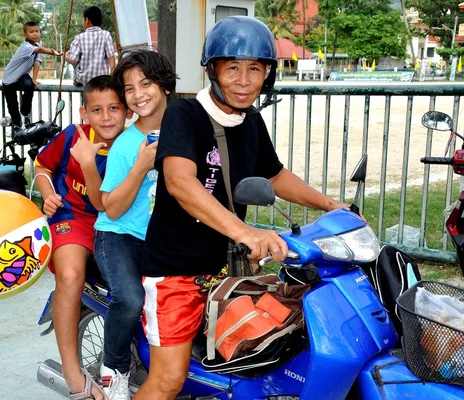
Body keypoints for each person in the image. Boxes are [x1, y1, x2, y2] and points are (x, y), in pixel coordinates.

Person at [134, 16, 351, 400]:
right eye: (232, 67)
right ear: (213, 70)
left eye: (255, 68)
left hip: (227, 271)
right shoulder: (184, 115)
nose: (244, 79)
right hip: (175, 273)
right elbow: (180, 183)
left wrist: (330, 204)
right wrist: (247, 232)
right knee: (168, 380)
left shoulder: (250, 120)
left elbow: (275, 175)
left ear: (267, 74)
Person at [34, 75, 130, 400]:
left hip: (115, 220)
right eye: (97, 109)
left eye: (114, 108)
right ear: (83, 112)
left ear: (128, 110)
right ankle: (72, 370)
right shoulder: (72, 137)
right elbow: (42, 166)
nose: (106, 117)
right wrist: (47, 194)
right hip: (73, 217)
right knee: (71, 275)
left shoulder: (133, 145)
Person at [93, 49, 177, 400]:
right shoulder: (127, 145)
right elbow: (111, 208)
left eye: (146, 83)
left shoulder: (183, 128)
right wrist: (142, 166)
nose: (139, 94)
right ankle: (114, 371)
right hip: (119, 235)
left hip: (162, 238)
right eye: (129, 89)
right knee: (129, 298)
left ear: (165, 85)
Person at [2, 21, 62, 129]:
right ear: (25, 35)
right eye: (31, 32)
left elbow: (36, 63)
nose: (35, 34)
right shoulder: (26, 47)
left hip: (21, 76)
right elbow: (40, 50)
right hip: (9, 78)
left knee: (30, 86)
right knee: (12, 106)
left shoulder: (36, 46)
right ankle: (17, 128)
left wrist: (34, 79)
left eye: (37, 31)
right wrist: (53, 52)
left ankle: (25, 113)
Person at [65, 6, 116, 87]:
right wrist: (113, 73)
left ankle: (78, 80)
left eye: (83, 20)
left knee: (75, 58)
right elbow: (111, 56)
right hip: (101, 79)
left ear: (87, 20)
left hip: (85, 79)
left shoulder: (79, 38)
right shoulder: (106, 34)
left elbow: (73, 60)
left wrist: (66, 56)